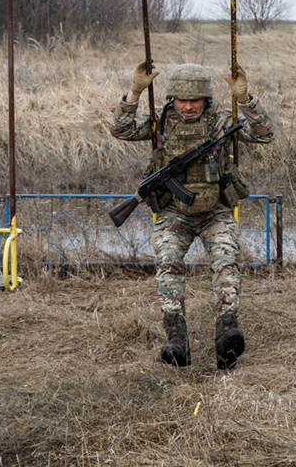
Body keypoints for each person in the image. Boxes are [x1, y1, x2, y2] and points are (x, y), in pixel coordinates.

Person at [111, 61, 275, 369]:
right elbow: (120, 129)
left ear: (206, 99)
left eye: (195, 100)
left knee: (227, 261)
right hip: (174, 211)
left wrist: (245, 99)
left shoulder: (222, 121)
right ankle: (177, 340)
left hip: (216, 210)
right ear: (172, 98)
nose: (188, 107)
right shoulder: (161, 122)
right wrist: (135, 92)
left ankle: (227, 335)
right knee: (167, 260)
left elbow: (264, 134)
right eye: (182, 100)